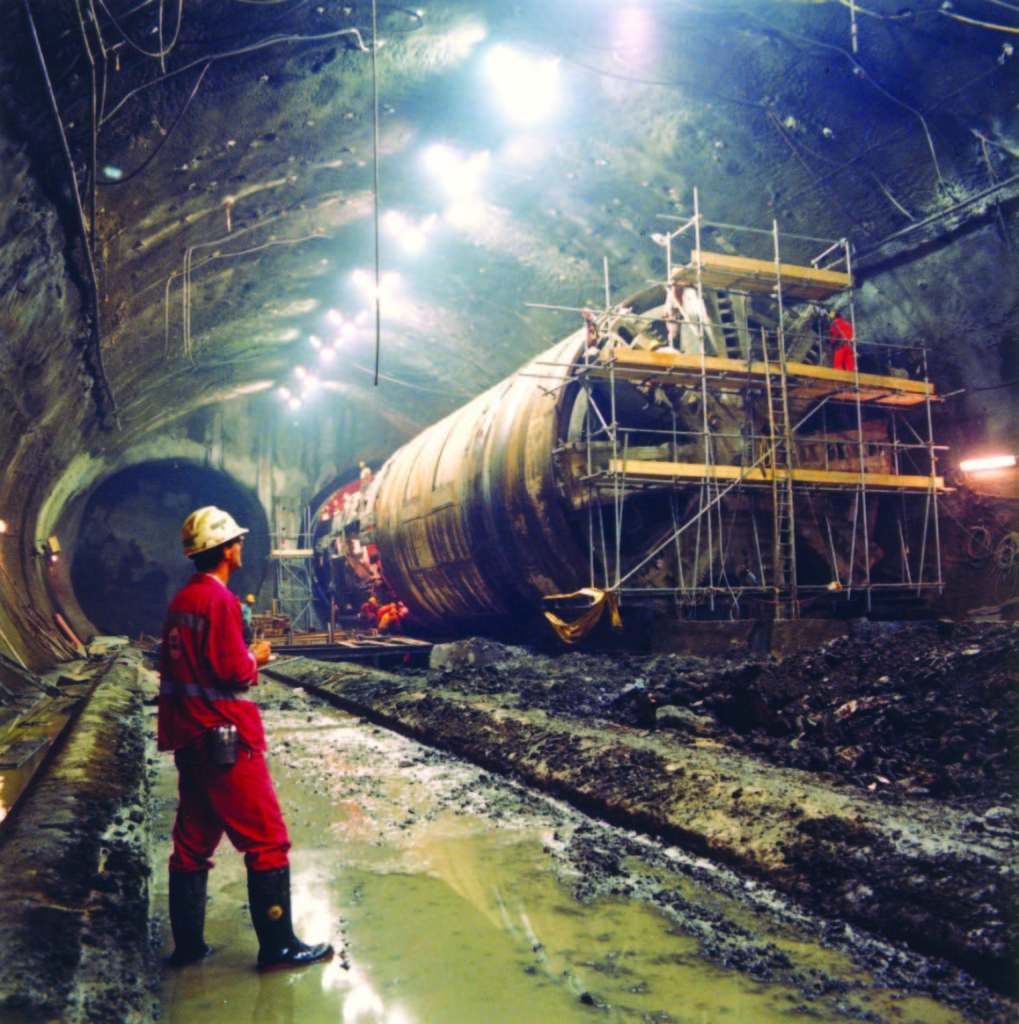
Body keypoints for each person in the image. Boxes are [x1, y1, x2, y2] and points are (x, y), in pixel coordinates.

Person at [158, 506, 334, 972]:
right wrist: (255, 654)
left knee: (192, 846)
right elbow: (232, 671)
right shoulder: (220, 602)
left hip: (190, 738)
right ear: (226, 550)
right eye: (237, 541)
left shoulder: (181, 602)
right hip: (224, 742)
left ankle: (189, 948)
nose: (242, 547)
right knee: (268, 842)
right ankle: (278, 948)